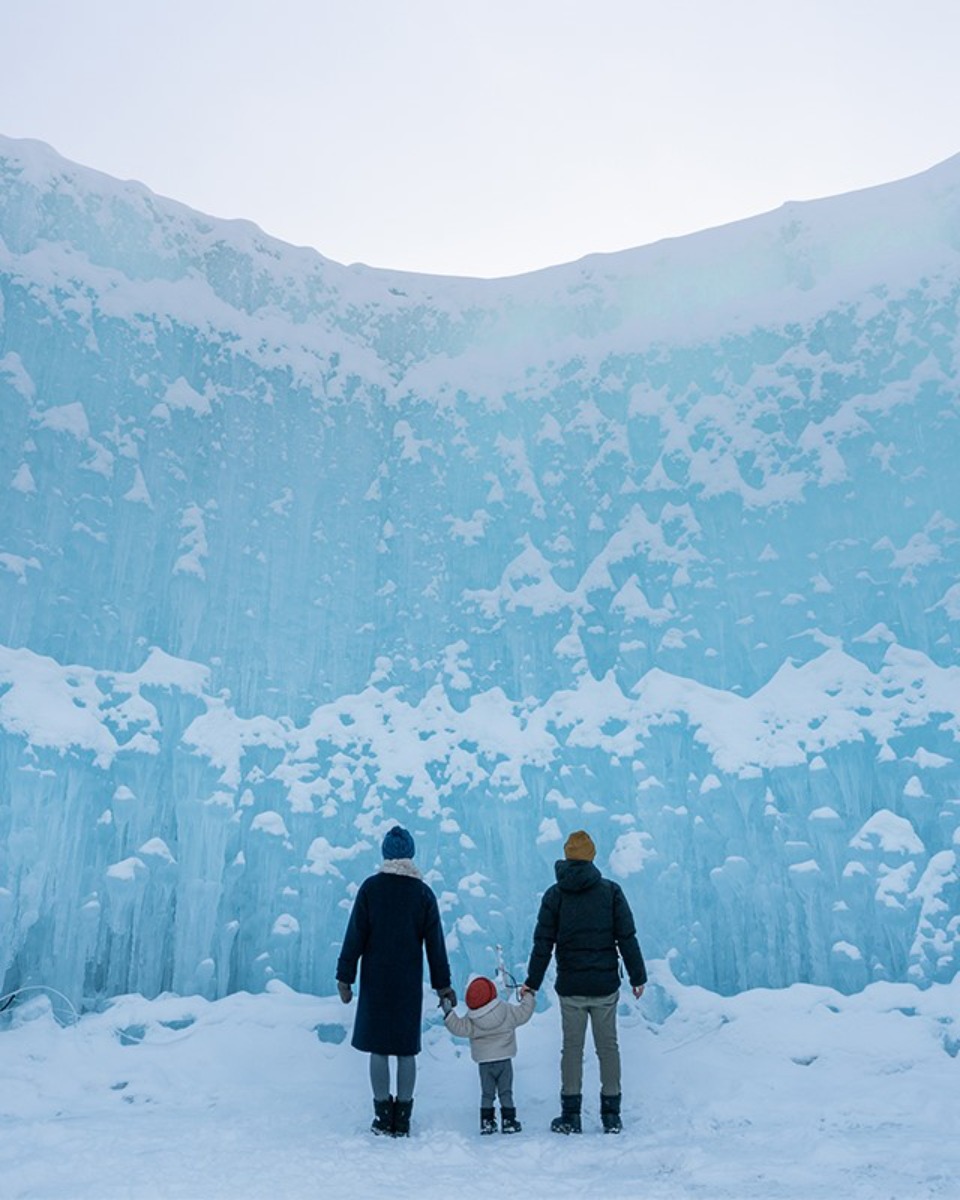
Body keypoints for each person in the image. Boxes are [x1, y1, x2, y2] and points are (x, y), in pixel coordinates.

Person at [521, 829, 646, 1135]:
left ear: (566, 856)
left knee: (572, 1049)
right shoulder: (611, 892)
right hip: (604, 987)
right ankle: (611, 1115)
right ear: (591, 856)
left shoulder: (555, 895)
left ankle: (571, 1115)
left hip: (571, 987)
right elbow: (626, 937)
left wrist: (531, 984)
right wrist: (637, 976)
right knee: (608, 1047)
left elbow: (543, 944)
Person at [336, 825, 455, 1137]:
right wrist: (443, 985)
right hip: (406, 983)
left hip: (376, 981)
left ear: (385, 854)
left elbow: (355, 937)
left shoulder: (371, 889)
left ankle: (381, 1115)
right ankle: (402, 1118)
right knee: (405, 1050)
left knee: (379, 1049)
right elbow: (435, 945)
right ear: (411, 854)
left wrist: (345, 976)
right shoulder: (423, 894)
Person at [442, 975, 535, 1135]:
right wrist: (528, 996)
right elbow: (524, 1013)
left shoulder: (472, 1021)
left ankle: (487, 1123)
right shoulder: (506, 1010)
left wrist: (449, 1012)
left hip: (485, 1063)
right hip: (504, 1061)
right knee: (506, 1092)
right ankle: (509, 1121)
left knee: (487, 1094)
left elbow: (457, 1027)